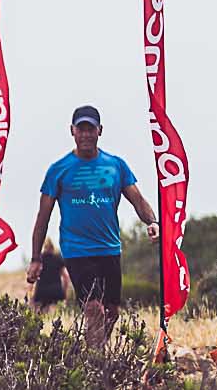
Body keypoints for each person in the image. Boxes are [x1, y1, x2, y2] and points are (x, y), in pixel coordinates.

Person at [28, 107, 156, 344]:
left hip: (109, 249)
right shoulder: (58, 170)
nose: (86, 134)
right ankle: (96, 361)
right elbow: (43, 216)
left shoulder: (116, 166)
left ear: (100, 131)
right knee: (93, 309)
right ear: (72, 131)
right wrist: (36, 258)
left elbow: (138, 199)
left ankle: (93, 351)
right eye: (81, 129)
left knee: (112, 312)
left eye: (91, 129)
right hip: (77, 251)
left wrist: (153, 222)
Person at [24, 238, 68, 313]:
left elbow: (32, 278)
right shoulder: (58, 258)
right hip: (56, 291)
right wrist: (64, 293)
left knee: (40, 314)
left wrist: (30, 295)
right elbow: (66, 277)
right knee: (54, 315)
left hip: (41, 292)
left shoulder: (39, 260)